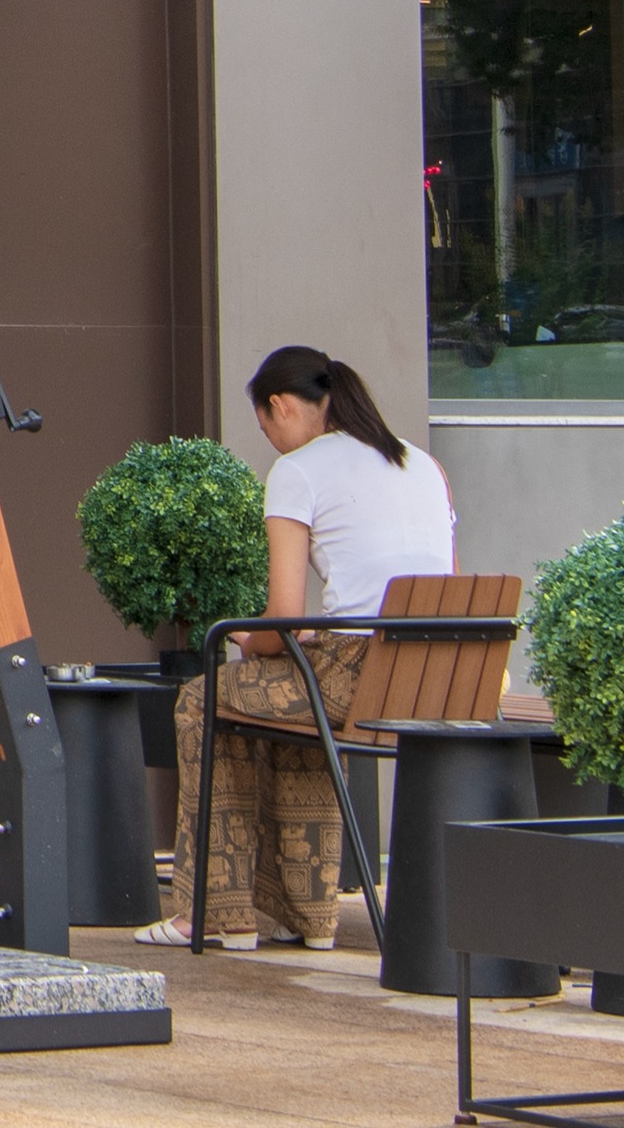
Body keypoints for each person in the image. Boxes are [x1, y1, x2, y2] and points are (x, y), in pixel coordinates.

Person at [143, 344, 458, 950]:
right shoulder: (425, 465)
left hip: (355, 681)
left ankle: (213, 913)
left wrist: (249, 638)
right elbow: (445, 589)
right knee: (287, 704)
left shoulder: (298, 471)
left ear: (281, 405)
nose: (272, 443)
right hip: (442, 680)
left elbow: (282, 615)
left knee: (205, 699)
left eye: (266, 427)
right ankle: (304, 916)